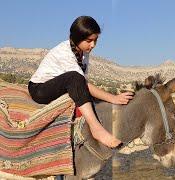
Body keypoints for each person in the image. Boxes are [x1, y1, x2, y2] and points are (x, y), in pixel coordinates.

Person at [28, 16, 133, 148]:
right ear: (77, 38)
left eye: (95, 40)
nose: (93, 45)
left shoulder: (83, 52)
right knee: (75, 78)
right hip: (40, 89)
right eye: (89, 41)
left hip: (61, 86)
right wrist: (113, 98)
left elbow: (83, 83)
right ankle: (96, 129)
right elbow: (80, 82)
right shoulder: (64, 52)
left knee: (81, 86)